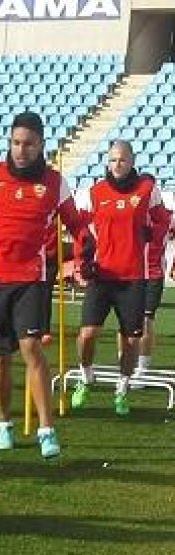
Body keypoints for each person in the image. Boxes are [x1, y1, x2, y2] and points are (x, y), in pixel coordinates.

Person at [0, 112, 86, 459]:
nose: (21, 150)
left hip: (32, 279)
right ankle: (5, 424)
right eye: (16, 143)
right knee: (0, 357)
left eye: (29, 144)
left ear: (41, 146)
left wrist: (85, 252)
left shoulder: (54, 183)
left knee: (32, 349)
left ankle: (46, 429)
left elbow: (76, 224)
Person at [71, 141, 171, 415]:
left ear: (132, 161)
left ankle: (122, 387)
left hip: (133, 278)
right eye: (113, 160)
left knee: (129, 340)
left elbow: (163, 221)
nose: (117, 165)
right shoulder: (94, 192)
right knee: (87, 334)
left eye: (123, 160)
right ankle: (85, 375)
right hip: (102, 276)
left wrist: (153, 234)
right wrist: (82, 261)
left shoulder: (147, 190)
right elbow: (81, 230)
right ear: (107, 162)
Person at [118, 184, 172, 375]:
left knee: (146, 320)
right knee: (125, 321)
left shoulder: (165, 217)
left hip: (153, 274)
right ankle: (123, 361)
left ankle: (142, 367)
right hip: (131, 273)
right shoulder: (132, 213)